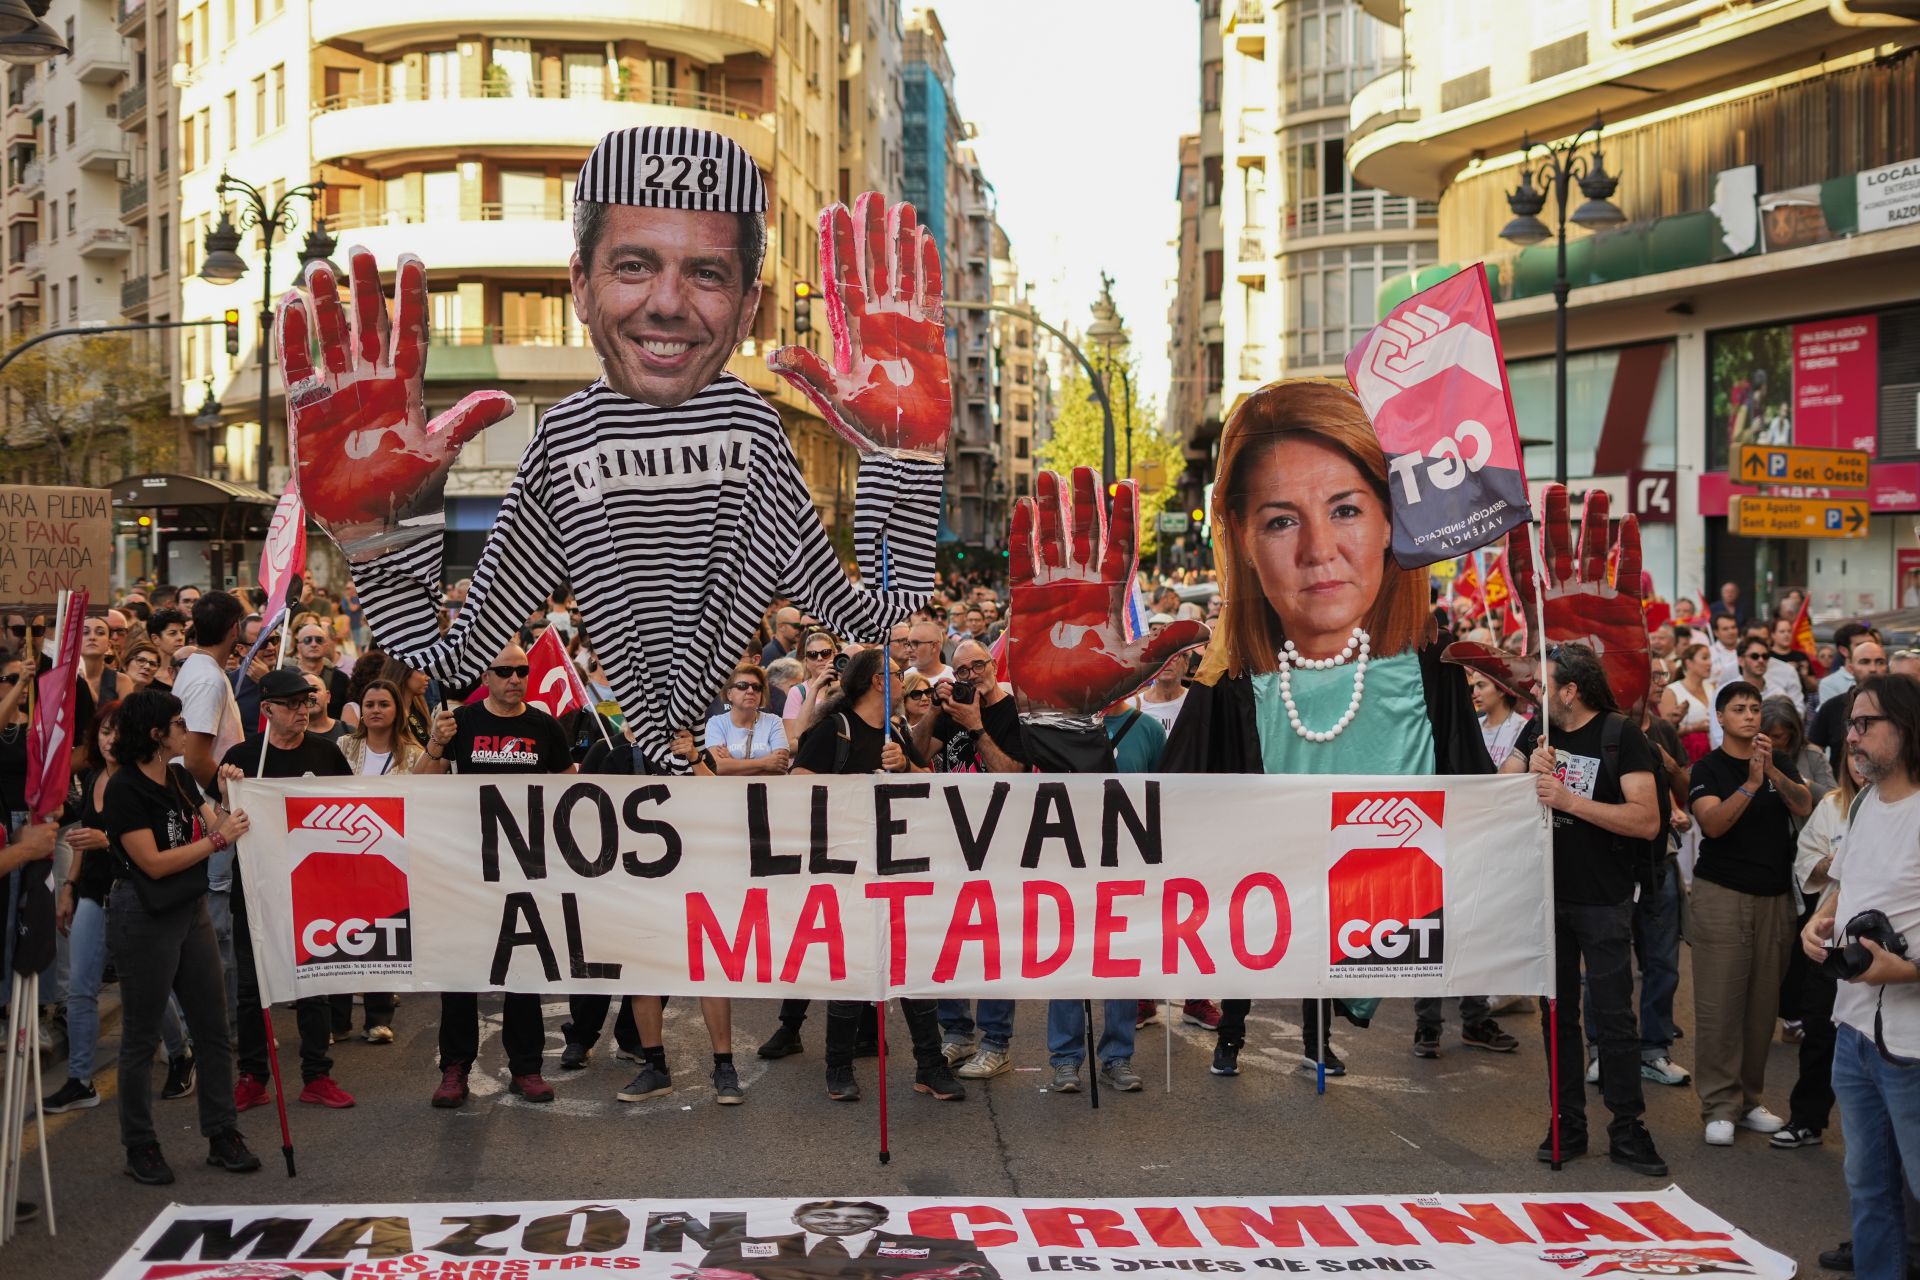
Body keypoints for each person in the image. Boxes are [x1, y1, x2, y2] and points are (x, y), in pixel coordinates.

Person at [308, 129, 943, 776]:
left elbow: (869, 612)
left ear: (748, 306)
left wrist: (907, 465)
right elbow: (451, 658)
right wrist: (382, 540)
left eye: (706, 274)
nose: (667, 304)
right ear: (581, 285)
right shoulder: (567, 438)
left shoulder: (753, 431)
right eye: (634, 266)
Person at [1163, 381, 1495, 1082]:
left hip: (1366, 898)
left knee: (1321, 954)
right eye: (1282, 521)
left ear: (1388, 524)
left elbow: (1480, 807)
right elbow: (1168, 800)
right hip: (1268, 878)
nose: (1319, 549)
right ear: (1244, 542)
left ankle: (1319, 1043)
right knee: (1259, 953)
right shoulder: (1230, 680)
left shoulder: (1434, 671)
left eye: (1345, 509)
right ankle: (1233, 1036)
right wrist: (1059, 725)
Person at [788, 648, 959, 1103]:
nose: (906, 682)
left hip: (898, 868)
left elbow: (926, 782)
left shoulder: (895, 732)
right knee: (854, 974)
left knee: (911, 968)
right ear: (880, 683)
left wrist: (906, 766)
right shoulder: (834, 731)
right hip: (848, 872)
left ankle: (930, 1066)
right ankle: (838, 1068)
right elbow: (796, 785)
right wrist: (861, 785)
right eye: (900, 675)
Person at [102, 689, 259, 1185]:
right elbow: (152, 862)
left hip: (189, 911)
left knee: (213, 1028)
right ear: (155, 734)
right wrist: (214, 841)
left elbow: (219, 821)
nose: (186, 730)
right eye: (178, 723)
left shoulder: (178, 775)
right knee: (141, 1038)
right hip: (143, 914)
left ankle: (222, 1133)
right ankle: (140, 1145)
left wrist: (229, 796)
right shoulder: (125, 789)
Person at [1527, 642, 1669, 1177]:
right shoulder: (1536, 732)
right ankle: (1566, 1122)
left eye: (1545, 685)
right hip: (1546, 897)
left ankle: (1628, 1126)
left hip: (1604, 900)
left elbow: (1646, 820)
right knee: (1556, 1015)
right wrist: (1525, 773)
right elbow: (1497, 793)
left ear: (1572, 689)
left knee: (1613, 1017)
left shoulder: (1620, 735)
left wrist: (1568, 800)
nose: (1536, 693)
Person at [414, 640, 574, 1107]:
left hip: (526, 866)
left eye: (521, 670)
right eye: (503, 670)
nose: (514, 679)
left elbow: (574, 790)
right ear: (485, 677)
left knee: (524, 966)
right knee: (461, 967)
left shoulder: (544, 725)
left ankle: (526, 1068)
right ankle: (455, 1068)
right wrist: (437, 742)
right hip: (467, 866)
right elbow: (421, 784)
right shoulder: (459, 721)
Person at [43, 700, 197, 1114]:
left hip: (134, 895)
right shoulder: (94, 777)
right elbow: (84, 839)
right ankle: (79, 1079)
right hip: (94, 891)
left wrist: (106, 842)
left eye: (116, 731)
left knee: (147, 987)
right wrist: (69, 886)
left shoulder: (139, 781)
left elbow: (145, 849)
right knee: (80, 989)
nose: (110, 739)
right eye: (103, 732)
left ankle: (180, 1052)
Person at [216, 668, 358, 1112]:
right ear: (267, 710)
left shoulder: (327, 754)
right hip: (256, 889)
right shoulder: (243, 756)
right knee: (252, 988)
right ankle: (254, 1076)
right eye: (292, 703)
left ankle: (317, 1075)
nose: (302, 709)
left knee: (314, 984)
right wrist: (225, 792)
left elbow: (354, 809)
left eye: (306, 701)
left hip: (311, 888)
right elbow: (219, 826)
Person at [1689, 680, 1812, 1145]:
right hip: (1722, 894)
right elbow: (1714, 824)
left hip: (1775, 896)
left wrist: (1773, 775)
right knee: (1721, 1003)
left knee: (1763, 1006)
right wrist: (1751, 784)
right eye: (1739, 709)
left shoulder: (1777, 761)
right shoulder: (1709, 767)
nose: (1750, 716)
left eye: (1755, 708)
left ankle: (1747, 1098)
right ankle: (1718, 1103)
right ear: (1720, 717)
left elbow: (1804, 805)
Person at [1778, 747, 1865, 1152]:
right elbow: (1805, 860)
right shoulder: (1832, 805)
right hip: (1832, 932)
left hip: (1887, 944)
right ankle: (1807, 1119)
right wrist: (1831, 863)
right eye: (1852, 753)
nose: (1858, 760)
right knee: (1820, 1030)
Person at [330, 677, 420, 1045]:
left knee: (383, 938)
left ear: (397, 710)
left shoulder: (414, 754)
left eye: (384, 704)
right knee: (338, 937)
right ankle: (336, 1021)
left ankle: (378, 1019)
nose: (376, 710)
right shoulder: (343, 746)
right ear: (360, 710)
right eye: (370, 704)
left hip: (389, 858)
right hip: (345, 854)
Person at [171, 591, 248, 1012]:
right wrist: (220, 810)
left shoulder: (206, 671)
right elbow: (196, 757)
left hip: (211, 812)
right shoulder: (205, 677)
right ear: (234, 629)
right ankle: (215, 1028)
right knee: (217, 926)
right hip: (210, 817)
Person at [696, 1199, 999, 1280]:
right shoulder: (735, 1250)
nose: (841, 1221)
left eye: (858, 1217)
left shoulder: (945, 1251)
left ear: (880, 1222)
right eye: (825, 1217)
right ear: (797, 1221)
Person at [1811, 639, 1886, 781]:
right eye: (1865, 662)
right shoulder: (1832, 707)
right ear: (1851, 668)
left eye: (1880, 662)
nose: (1873, 668)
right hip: (1842, 792)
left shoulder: (1900, 706)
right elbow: (1813, 750)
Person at [704, 662, 790, 774]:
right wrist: (764, 763)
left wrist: (732, 762)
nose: (750, 691)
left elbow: (779, 767)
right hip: (728, 791)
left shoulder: (774, 721)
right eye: (742, 686)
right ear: (729, 693)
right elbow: (716, 767)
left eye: (756, 687)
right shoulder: (716, 723)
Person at [783, 631, 841, 748]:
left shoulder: (846, 687)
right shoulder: (798, 692)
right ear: (806, 661)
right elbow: (790, 743)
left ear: (835, 655)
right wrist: (815, 687)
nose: (819, 658)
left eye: (825, 653)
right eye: (813, 654)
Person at [1664, 642, 1717, 763]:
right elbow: (1666, 731)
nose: (1709, 663)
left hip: (1714, 750)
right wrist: (1694, 728)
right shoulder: (1672, 691)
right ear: (1689, 662)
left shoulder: (1712, 687)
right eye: (1704, 658)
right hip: (1688, 754)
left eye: (1710, 658)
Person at [293, 621, 353, 720]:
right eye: (308, 640)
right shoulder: (288, 677)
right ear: (299, 646)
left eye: (319, 640)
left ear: (326, 645)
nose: (313, 644)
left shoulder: (340, 679)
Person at [1133, 639, 1188, 733]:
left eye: (1174, 655)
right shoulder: (1133, 706)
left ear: (1186, 664)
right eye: (1159, 656)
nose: (1167, 661)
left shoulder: (1197, 701)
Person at [79, 613, 133, 705]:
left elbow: (126, 717)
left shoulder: (121, 681)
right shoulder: (64, 678)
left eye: (100, 633)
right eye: (85, 632)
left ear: (109, 644)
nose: (92, 637)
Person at [1819, 622, 1874, 706]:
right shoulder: (1829, 684)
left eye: (1872, 644)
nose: (1869, 649)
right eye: (1861, 645)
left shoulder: (1885, 676)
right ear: (1844, 651)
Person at [1708, 614, 1742, 687]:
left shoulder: (1748, 648)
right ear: (1716, 632)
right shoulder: (1709, 653)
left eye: (1733, 627)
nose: (1731, 632)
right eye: (1725, 629)